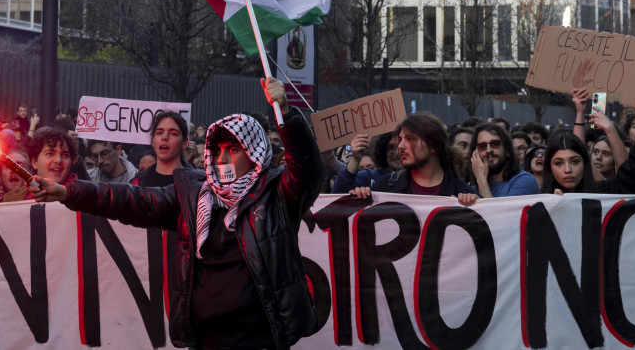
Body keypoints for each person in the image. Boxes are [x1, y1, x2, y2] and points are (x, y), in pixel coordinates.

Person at [34, 78, 323, 350]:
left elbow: (307, 170)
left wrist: (286, 114)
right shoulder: (194, 195)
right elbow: (133, 200)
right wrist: (69, 192)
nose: (222, 159)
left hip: (259, 340)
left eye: (233, 149)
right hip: (206, 339)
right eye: (217, 149)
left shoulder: (276, 194)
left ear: (254, 152)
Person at [543, 91, 635, 195]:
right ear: (549, 166)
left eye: (575, 161)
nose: (568, 169)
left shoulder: (603, 193)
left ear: (585, 163)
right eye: (559, 163)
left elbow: (634, 172)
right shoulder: (538, 202)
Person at [349, 113, 477, 202]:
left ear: (434, 145)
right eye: (400, 139)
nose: (401, 146)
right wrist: (359, 199)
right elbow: (336, 209)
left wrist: (475, 206)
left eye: (410, 139)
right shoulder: (387, 187)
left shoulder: (463, 193)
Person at [468, 123, 539, 198]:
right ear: (475, 154)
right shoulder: (473, 189)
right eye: (482, 146)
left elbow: (495, 210)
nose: (488, 150)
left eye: (495, 144)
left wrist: (481, 180)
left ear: (507, 151)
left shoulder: (525, 180)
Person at [132, 111, 192, 188]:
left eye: (173, 133)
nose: (164, 137)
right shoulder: (137, 183)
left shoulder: (199, 183)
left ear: (185, 143)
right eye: (159, 133)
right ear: (152, 141)